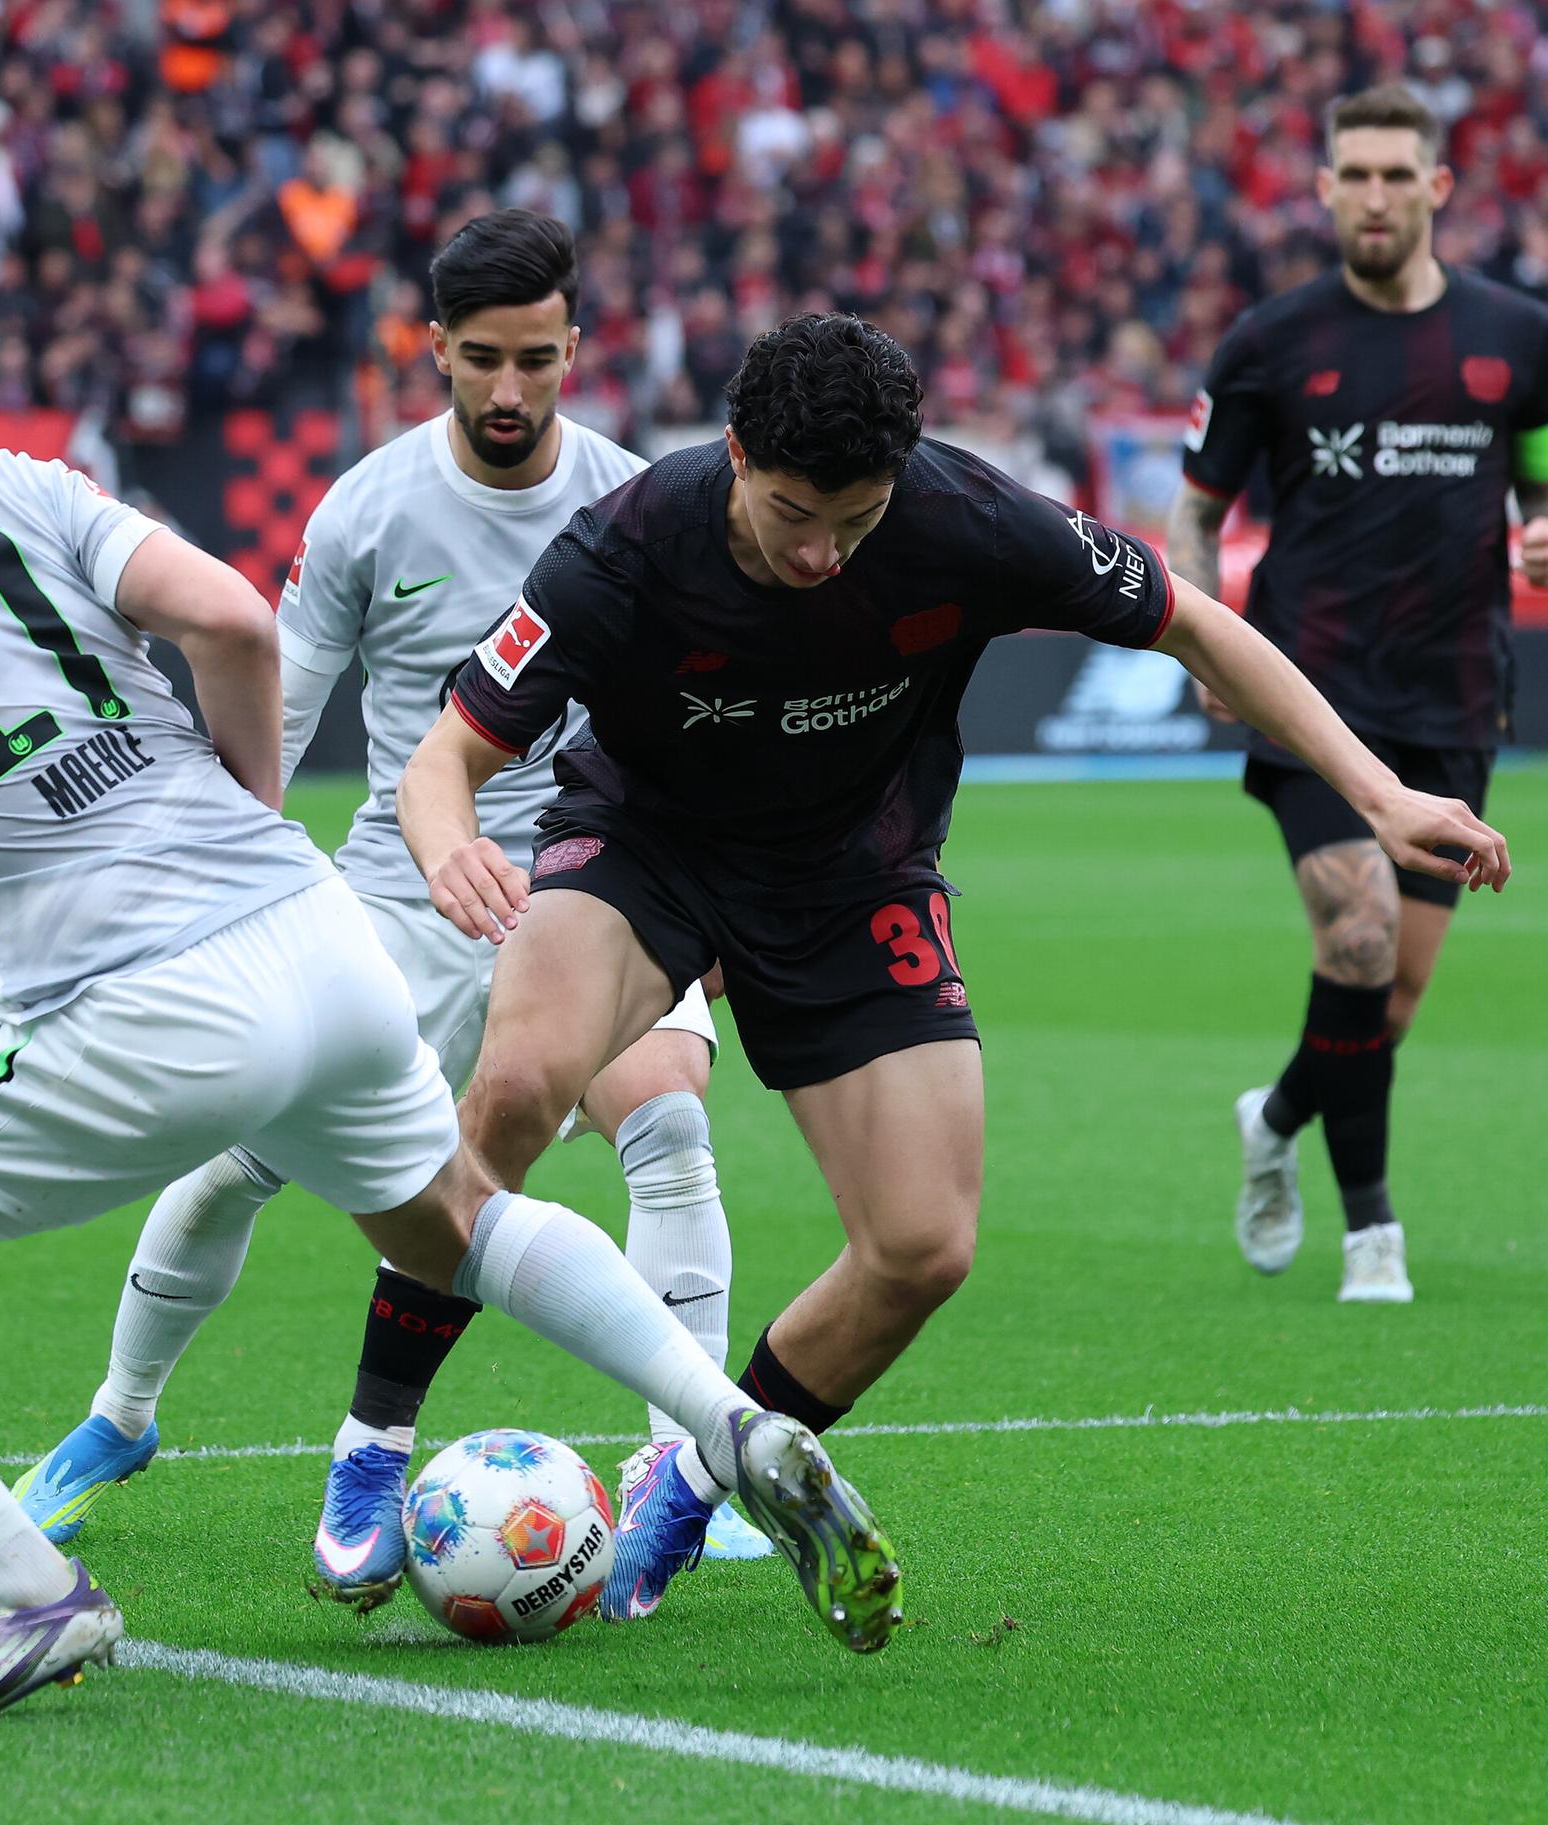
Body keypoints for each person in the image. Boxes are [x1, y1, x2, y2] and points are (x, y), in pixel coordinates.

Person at [0, 286, 905, 1718]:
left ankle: (26, 1588)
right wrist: (249, 814)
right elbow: (230, 617)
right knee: (454, 1223)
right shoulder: (6, 483)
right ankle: (730, 1429)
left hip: (131, 1001)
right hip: (316, 929)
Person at [396, 308, 1510, 1617]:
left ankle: (698, 1475)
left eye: (856, 523)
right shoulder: (631, 542)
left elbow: (1200, 626)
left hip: (853, 873)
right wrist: (448, 841)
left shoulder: (968, 520)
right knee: (516, 1089)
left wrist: (1380, 798)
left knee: (923, 1249)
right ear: (740, 454)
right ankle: (368, 1456)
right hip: (648, 845)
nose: (822, 554)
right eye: (796, 513)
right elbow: (444, 755)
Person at [13, 210, 770, 1611]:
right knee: (242, 1151)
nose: (506, 393)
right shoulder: (367, 505)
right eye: (479, 361)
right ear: (430, 351)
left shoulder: (639, 500)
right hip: (401, 883)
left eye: (535, 362)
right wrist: (219, 884)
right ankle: (121, 1417)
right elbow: (280, 709)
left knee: (667, 1123)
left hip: (598, 872)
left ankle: (685, 1466)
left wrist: (709, 896)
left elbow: (699, 715)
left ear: (574, 351)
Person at [1167, 85, 1548, 1302]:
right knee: (1361, 931)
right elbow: (1196, 507)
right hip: (1311, 697)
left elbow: (1540, 477)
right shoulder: (1271, 341)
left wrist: (1544, 528)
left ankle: (1275, 1118)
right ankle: (1371, 1233)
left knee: (1388, 998)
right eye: (1354, 175)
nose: (1375, 195)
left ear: (1437, 189)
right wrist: (1197, 637)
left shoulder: (1517, 335)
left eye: (1398, 174)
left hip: (1451, 694)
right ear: (1325, 188)